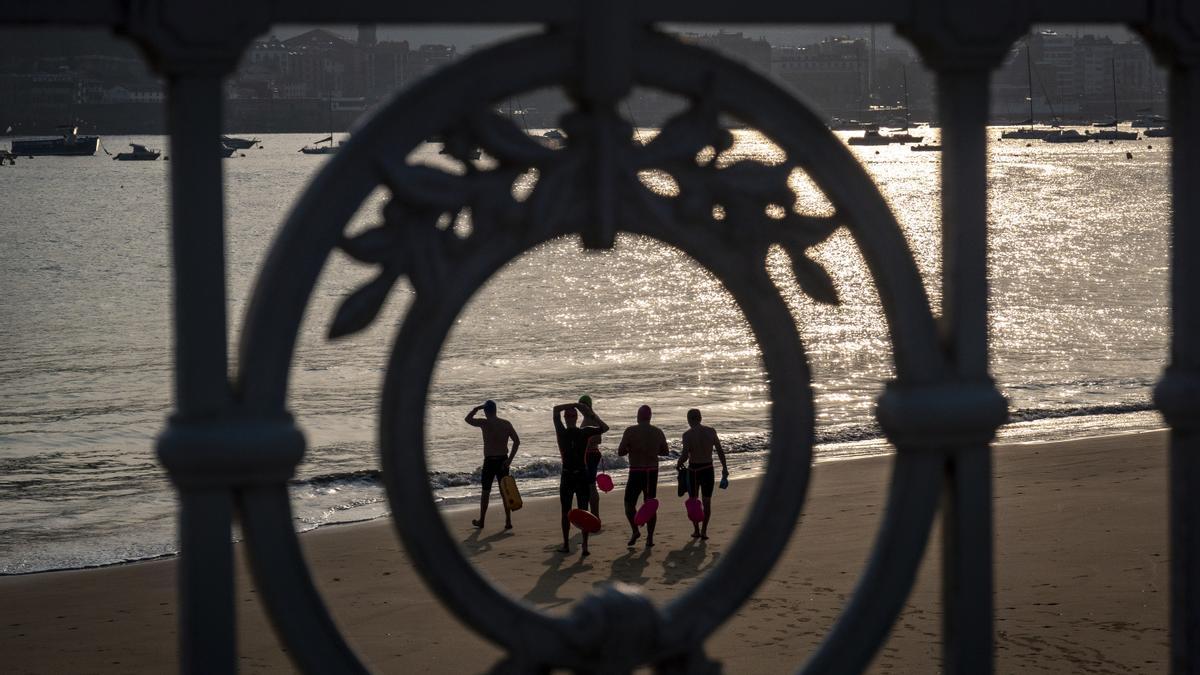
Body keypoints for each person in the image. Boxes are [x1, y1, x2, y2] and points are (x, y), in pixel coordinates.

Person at [553, 401, 609, 555]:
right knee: (574, 511)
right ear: (570, 417)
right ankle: (575, 545)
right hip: (574, 475)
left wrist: (583, 410)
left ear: (573, 417)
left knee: (575, 511)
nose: (570, 417)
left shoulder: (573, 432)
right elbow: (555, 409)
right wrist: (581, 407)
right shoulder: (573, 432)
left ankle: (575, 545)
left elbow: (605, 428)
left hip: (574, 475)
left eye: (571, 415)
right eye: (569, 415)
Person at [617, 404, 669, 548]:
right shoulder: (658, 432)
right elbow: (665, 452)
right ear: (650, 417)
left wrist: (631, 448)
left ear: (638, 416)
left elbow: (620, 452)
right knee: (650, 505)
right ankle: (650, 538)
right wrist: (652, 450)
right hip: (651, 472)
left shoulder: (630, 431)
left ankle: (635, 530)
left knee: (629, 505)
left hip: (636, 471)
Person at [464, 400, 520, 530]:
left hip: (489, 461)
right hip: (503, 461)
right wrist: (510, 460)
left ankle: (482, 521)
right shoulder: (506, 424)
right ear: (495, 410)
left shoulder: (484, 423)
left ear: (485, 411)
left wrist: (476, 408)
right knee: (504, 492)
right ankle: (508, 521)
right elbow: (517, 442)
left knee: (485, 492)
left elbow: (468, 419)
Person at [677, 408, 729, 540]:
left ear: (688, 419)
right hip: (708, 469)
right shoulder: (711, 431)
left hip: (694, 471)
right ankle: (704, 531)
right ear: (700, 418)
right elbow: (720, 451)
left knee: (693, 502)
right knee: (707, 502)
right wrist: (724, 468)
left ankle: (696, 530)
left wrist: (678, 464)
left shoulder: (687, 435)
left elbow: (685, 456)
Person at [579, 394, 604, 519]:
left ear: (588, 406)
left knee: (591, 485)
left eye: (583, 406)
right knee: (589, 485)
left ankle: (596, 516)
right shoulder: (589, 417)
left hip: (591, 454)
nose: (580, 408)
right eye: (580, 406)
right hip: (590, 454)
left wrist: (585, 441)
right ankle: (594, 515)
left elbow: (598, 439)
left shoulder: (591, 418)